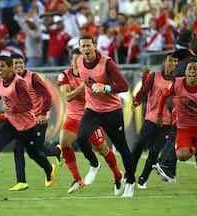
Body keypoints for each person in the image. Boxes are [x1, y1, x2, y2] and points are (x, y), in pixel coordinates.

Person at [0, 55, 55, 190]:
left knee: (34, 154)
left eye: (2, 66)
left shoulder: (19, 83)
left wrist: (14, 109)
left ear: (10, 68)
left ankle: (49, 169)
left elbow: (29, 105)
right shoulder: (0, 81)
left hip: (27, 126)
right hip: (11, 123)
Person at [75, 35, 136, 197]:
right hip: (93, 110)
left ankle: (130, 182)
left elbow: (123, 85)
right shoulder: (79, 61)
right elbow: (85, 80)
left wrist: (106, 88)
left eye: (89, 45)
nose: (86, 49)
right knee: (81, 138)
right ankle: (94, 164)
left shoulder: (107, 62)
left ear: (94, 46)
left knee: (122, 148)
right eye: (83, 46)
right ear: (80, 48)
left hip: (111, 111)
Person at [57, 48, 123, 194]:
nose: (78, 63)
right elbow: (67, 97)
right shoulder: (65, 75)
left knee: (102, 149)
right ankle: (78, 179)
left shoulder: (92, 74)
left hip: (91, 116)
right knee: (64, 143)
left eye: (80, 60)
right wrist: (83, 86)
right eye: (75, 60)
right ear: (71, 62)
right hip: (73, 117)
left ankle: (118, 176)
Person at [156, 57, 197, 196]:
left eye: (195, 69)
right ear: (185, 72)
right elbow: (163, 96)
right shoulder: (177, 84)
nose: (192, 71)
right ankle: (193, 148)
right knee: (181, 156)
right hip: (183, 127)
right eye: (190, 69)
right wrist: (159, 115)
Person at [153, 38, 197, 182]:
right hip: (182, 100)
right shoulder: (194, 62)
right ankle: (165, 164)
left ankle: (168, 166)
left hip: (174, 99)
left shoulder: (185, 59)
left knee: (180, 130)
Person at [8, 53, 61, 191]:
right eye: (16, 63)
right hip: (22, 122)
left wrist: (43, 113)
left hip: (38, 120)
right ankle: (22, 182)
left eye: (21, 62)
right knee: (17, 149)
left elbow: (47, 95)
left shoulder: (33, 77)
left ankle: (55, 156)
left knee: (37, 150)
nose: (19, 65)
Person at [131, 52, 178, 189]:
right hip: (152, 118)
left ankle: (143, 179)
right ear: (165, 62)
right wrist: (136, 102)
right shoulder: (154, 76)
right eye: (170, 60)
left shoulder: (178, 81)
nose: (173, 63)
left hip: (167, 123)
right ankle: (130, 174)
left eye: (175, 61)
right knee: (139, 145)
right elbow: (143, 91)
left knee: (154, 151)